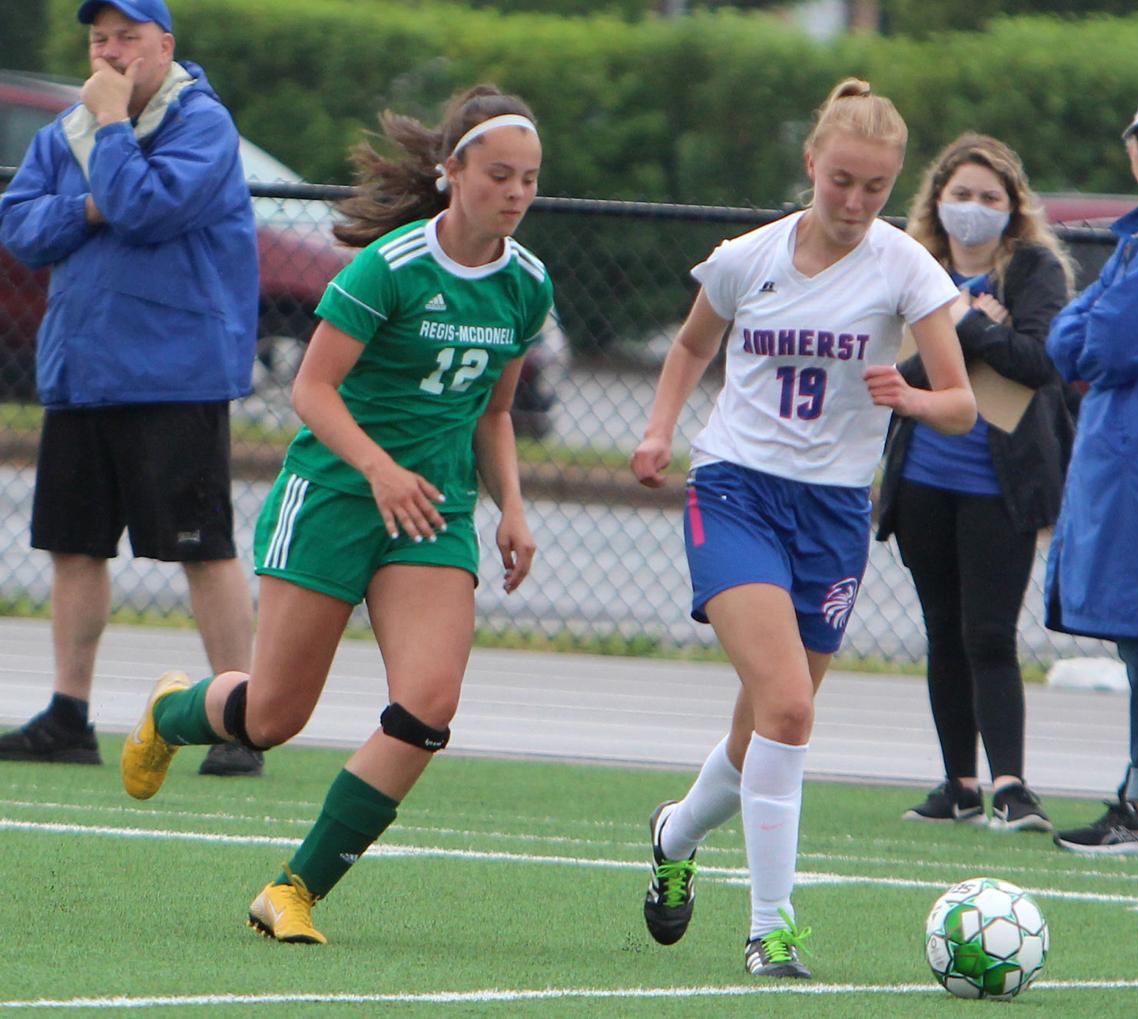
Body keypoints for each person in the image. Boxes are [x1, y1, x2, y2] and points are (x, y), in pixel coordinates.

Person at [116, 84, 552, 944]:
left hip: (429, 517)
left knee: (427, 706)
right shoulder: (388, 267)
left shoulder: (526, 285)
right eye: (499, 175)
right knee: (274, 715)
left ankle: (293, 889)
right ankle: (173, 710)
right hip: (335, 497)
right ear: (451, 170)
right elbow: (310, 390)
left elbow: (496, 412)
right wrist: (380, 468)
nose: (516, 195)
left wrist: (513, 506)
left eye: (530, 180)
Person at [631, 79, 976, 978]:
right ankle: (771, 928)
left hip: (832, 512)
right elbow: (691, 346)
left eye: (875, 187)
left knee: (763, 733)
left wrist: (914, 396)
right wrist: (660, 427)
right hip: (736, 488)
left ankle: (674, 833)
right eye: (841, 182)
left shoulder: (906, 268)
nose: (856, 203)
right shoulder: (750, 255)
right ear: (810, 166)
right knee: (790, 706)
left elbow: (964, 405)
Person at [0, 0, 262, 778]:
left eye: (128, 39)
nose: (111, 53)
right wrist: (89, 201)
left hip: (175, 373)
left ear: (165, 46)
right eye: (99, 40)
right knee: (75, 547)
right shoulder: (65, 133)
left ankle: (240, 720)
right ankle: (68, 715)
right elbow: (21, 227)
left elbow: (147, 210)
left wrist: (112, 129)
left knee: (201, 547)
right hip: (84, 372)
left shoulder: (202, 125)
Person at [875, 134, 1075, 833]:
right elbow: (902, 377)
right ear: (937, 201)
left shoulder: (1034, 270)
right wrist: (973, 330)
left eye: (990, 197)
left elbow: (1039, 361)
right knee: (943, 631)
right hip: (925, 479)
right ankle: (959, 782)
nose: (974, 209)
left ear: (1014, 207)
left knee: (989, 632)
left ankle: (1012, 786)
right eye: (961, 195)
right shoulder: (911, 266)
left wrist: (958, 324)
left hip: (1001, 485)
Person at [1045, 93, 1138, 857]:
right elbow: (1068, 340)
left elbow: (1109, 338)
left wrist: (1089, 325)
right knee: (1135, 627)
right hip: (1123, 450)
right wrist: (1089, 325)